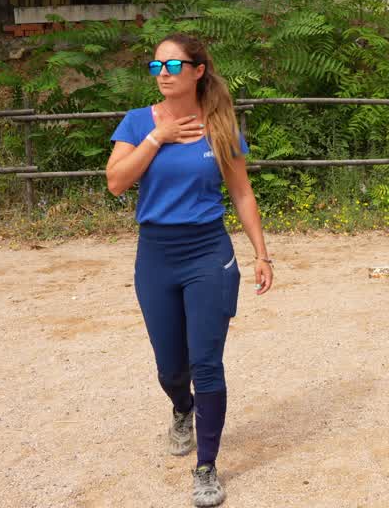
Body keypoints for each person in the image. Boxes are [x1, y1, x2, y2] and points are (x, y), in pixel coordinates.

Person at [106, 32, 274, 507]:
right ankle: (183, 408)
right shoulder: (138, 123)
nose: (162, 74)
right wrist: (158, 137)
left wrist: (261, 253)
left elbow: (241, 192)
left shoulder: (220, 127)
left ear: (197, 71)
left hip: (208, 253)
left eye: (173, 66)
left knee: (206, 362)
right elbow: (117, 182)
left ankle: (206, 465)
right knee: (171, 367)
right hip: (155, 255)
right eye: (156, 66)